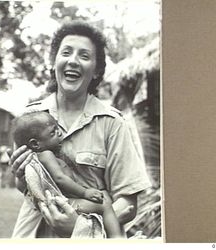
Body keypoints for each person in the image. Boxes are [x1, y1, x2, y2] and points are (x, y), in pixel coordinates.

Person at [10, 21, 151, 238]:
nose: (73, 61)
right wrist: (21, 178)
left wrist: (81, 226)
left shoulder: (111, 122)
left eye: (84, 56)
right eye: (66, 52)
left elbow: (128, 202)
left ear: (96, 71)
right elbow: (27, 187)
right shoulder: (29, 120)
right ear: (53, 62)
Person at [12, 110, 123, 238]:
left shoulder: (46, 157)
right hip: (62, 205)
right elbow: (60, 179)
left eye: (57, 127)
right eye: (53, 132)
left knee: (102, 200)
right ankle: (117, 240)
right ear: (35, 144)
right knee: (104, 204)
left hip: (61, 203)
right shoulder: (46, 155)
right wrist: (85, 193)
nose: (60, 133)